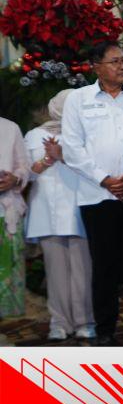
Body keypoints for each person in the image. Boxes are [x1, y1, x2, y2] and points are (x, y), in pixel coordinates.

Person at [62, 41, 123, 346]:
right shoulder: (78, 100)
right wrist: (105, 180)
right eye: (115, 61)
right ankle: (104, 329)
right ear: (96, 67)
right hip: (97, 196)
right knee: (104, 267)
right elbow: (72, 148)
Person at [24, 89, 94, 340]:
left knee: (83, 271)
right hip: (46, 211)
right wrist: (46, 159)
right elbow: (26, 173)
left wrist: (63, 156)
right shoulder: (34, 135)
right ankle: (59, 323)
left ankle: (86, 321)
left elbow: (95, 169)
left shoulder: (86, 132)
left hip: (81, 209)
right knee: (55, 272)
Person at [0, 117, 29, 319]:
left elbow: (24, 166)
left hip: (6, 211)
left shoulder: (10, 128)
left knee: (5, 274)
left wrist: (15, 178)